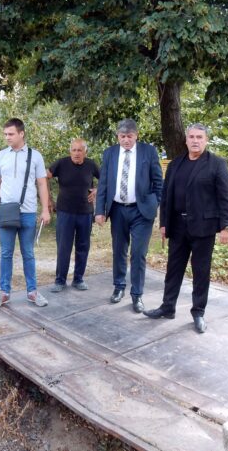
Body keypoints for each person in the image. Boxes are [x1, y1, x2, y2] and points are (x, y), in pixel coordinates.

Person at [143, 123, 228, 333]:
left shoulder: (216, 164)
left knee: (201, 271)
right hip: (177, 226)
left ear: (206, 140)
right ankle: (168, 307)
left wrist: (227, 226)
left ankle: (198, 312)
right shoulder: (176, 164)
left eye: (199, 137)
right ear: (186, 140)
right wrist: (164, 223)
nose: (195, 141)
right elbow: (166, 195)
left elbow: (227, 198)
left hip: (203, 228)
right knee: (173, 269)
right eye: (192, 137)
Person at [95, 118, 163, 313]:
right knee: (119, 250)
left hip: (141, 211)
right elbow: (103, 184)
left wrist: (155, 202)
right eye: (122, 136)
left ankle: (137, 294)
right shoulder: (109, 153)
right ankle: (119, 287)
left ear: (136, 135)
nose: (126, 140)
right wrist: (99, 210)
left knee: (138, 253)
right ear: (118, 136)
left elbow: (158, 181)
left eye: (129, 136)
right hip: (117, 209)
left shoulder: (148, 152)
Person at [0, 118, 51, 308]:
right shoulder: (0, 156)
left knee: (28, 253)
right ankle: (4, 293)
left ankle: (32, 292)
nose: (7, 137)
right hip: (6, 211)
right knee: (6, 253)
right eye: (5, 134)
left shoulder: (35, 156)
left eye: (11, 134)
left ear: (21, 134)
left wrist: (45, 209)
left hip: (28, 212)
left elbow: (42, 184)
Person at [47, 138, 100, 292]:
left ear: (85, 152)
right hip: (65, 212)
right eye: (74, 150)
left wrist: (97, 190)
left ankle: (78, 279)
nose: (76, 153)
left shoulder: (91, 165)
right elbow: (44, 177)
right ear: (70, 151)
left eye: (80, 150)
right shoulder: (61, 163)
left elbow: (106, 179)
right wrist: (49, 199)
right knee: (64, 247)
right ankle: (60, 281)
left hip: (85, 213)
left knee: (83, 247)